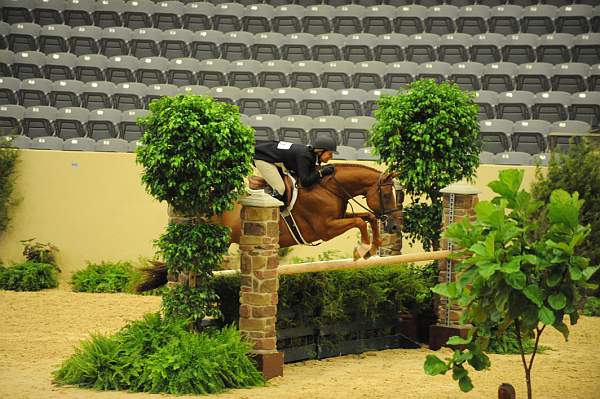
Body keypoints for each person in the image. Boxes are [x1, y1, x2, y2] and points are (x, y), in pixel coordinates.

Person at [254, 136, 337, 205]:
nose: (331, 157)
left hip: (276, 158)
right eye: (329, 154)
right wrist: (322, 172)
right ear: (320, 151)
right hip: (263, 159)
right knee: (280, 189)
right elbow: (305, 182)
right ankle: (263, 210)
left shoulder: (311, 156)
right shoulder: (305, 156)